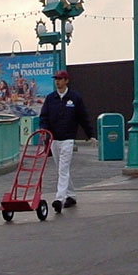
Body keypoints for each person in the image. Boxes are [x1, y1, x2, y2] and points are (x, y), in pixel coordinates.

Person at [38, 70, 97, 214]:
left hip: (68, 139)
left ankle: (59, 199)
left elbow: (83, 117)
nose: (57, 81)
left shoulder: (75, 98)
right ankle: (71, 195)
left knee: (63, 168)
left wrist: (90, 135)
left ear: (66, 81)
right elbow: (44, 116)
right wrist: (44, 131)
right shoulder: (51, 98)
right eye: (56, 79)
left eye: (60, 79)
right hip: (54, 139)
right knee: (61, 168)